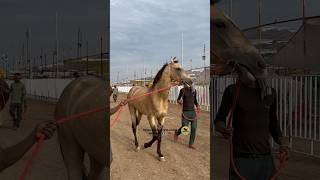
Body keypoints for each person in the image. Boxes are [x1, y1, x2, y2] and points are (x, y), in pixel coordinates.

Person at [214, 73, 289, 180]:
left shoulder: (270, 93)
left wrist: (283, 143)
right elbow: (219, 120)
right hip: (241, 160)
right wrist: (223, 129)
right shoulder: (232, 91)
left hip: (266, 160)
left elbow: (273, 123)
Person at [174, 79, 200, 149]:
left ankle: (191, 144)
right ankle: (177, 133)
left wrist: (197, 106)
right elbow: (178, 99)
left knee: (194, 128)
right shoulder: (182, 91)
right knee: (184, 127)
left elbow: (195, 100)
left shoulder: (194, 91)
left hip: (193, 113)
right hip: (185, 112)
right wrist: (179, 102)